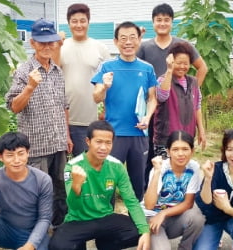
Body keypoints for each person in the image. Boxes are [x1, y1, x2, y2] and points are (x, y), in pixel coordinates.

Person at [5, 18, 72, 227]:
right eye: (41, 42)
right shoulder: (24, 71)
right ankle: (37, 233)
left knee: (60, 189)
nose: (46, 46)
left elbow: (63, 106)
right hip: (36, 147)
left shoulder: (57, 71)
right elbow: (14, 106)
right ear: (32, 43)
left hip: (58, 143)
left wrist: (67, 136)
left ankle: (59, 229)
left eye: (50, 42)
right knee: (38, 191)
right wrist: (30, 87)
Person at [137, 3, 208, 189]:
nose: (162, 23)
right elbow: (133, 65)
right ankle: (150, 193)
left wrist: (187, 94)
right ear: (153, 22)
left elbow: (203, 67)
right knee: (153, 154)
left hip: (177, 112)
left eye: (166, 20)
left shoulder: (182, 46)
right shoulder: (145, 47)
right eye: (158, 20)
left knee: (179, 154)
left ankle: (178, 192)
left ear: (172, 22)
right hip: (152, 108)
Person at [49, 120, 150, 250]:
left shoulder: (116, 166)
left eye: (108, 142)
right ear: (88, 141)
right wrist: (76, 186)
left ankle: (105, 245)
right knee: (58, 246)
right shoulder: (73, 166)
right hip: (78, 220)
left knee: (138, 230)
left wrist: (145, 231)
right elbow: (73, 206)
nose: (103, 147)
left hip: (105, 218)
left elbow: (131, 200)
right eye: (99, 142)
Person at [92, 21, 158, 201]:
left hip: (139, 134)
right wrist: (104, 86)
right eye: (123, 38)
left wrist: (147, 116)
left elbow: (153, 98)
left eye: (132, 38)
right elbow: (96, 97)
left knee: (138, 182)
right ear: (116, 42)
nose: (128, 42)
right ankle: (107, 221)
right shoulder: (107, 67)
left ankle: (137, 223)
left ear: (139, 40)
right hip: (114, 135)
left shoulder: (147, 68)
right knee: (108, 182)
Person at [0, 132, 53, 250]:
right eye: (10, 155)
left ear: (28, 153)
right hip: (6, 230)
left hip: (33, 232)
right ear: (0, 157)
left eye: (21, 154)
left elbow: (44, 218)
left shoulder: (42, 179)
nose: (17, 160)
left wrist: (29, 246)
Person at [61, 3, 111, 156]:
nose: (79, 25)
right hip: (63, 120)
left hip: (90, 120)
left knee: (90, 167)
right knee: (65, 171)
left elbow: (109, 82)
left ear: (88, 22)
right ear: (68, 23)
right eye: (74, 21)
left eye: (82, 20)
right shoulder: (60, 47)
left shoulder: (100, 48)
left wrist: (106, 110)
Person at [143, 130, 205, 250]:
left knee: (198, 218)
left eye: (185, 149)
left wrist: (164, 213)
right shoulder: (161, 168)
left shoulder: (194, 168)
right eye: (175, 149)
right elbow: (149, 205)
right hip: (152, 219)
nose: (180, 154)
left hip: (174, 217)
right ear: (168, 151)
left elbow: (188, 203)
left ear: (192, 151)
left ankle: (185, 247)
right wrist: (156, 172)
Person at [153, 42, 206, 160]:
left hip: (186, 138)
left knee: (183, 173)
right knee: (164, 174)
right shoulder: (163, 79)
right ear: (171, 62)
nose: (182, 66)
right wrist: (169, 70)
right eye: (178, 63)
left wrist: (201, 130)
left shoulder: (193, 82)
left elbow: (197, 106)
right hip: (166, 139)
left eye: (186, 63)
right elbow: (162, 96)